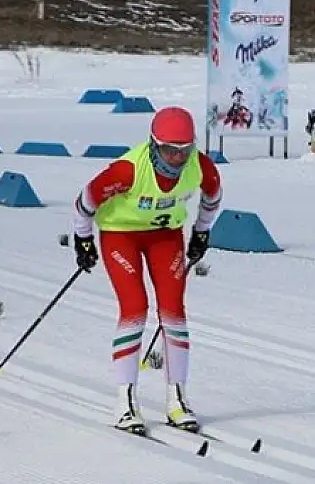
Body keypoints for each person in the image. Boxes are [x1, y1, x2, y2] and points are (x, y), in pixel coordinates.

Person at [71, 106, 222, 435]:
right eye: (169, 150)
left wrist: (201, 231)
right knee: (135, 308)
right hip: (120, 235)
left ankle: (176, 401)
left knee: (173, 312)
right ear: (154, 145)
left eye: (184, 150)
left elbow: (213, 196)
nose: (178, 158)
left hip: (165, 236)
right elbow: (85, 200)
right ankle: (125, 402)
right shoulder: (128, 170)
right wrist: (82, 239)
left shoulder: (200, 167)